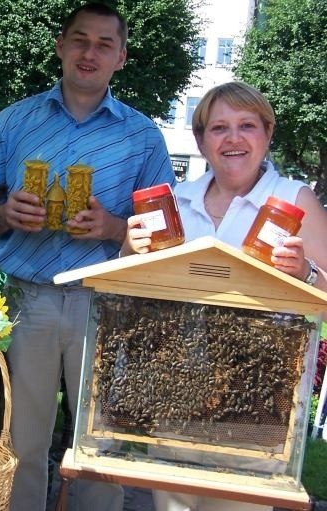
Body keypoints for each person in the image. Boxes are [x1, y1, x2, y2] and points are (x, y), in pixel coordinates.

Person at [0, 3, 176, 510]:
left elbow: (166, 232)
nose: (90, 53)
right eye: (80, 40)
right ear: (61, 47)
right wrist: (2, 209)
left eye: (105, 44)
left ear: (121, 57)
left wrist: (112, 226)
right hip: (27, 301)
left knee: (99, 452)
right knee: (20, 445)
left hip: (104, 307)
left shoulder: (142, 136)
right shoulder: (14, 122)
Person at [123, 81, 327, 510]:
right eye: (219, 128)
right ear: (200, 141)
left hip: (258, 406)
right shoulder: (175, 200)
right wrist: (130, 250)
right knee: (172, 502)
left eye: (247, 125)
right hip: (175, 392)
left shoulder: (294, 199)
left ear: (268, 134)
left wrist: (305, 272)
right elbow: (131, 287)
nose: (233, 139)